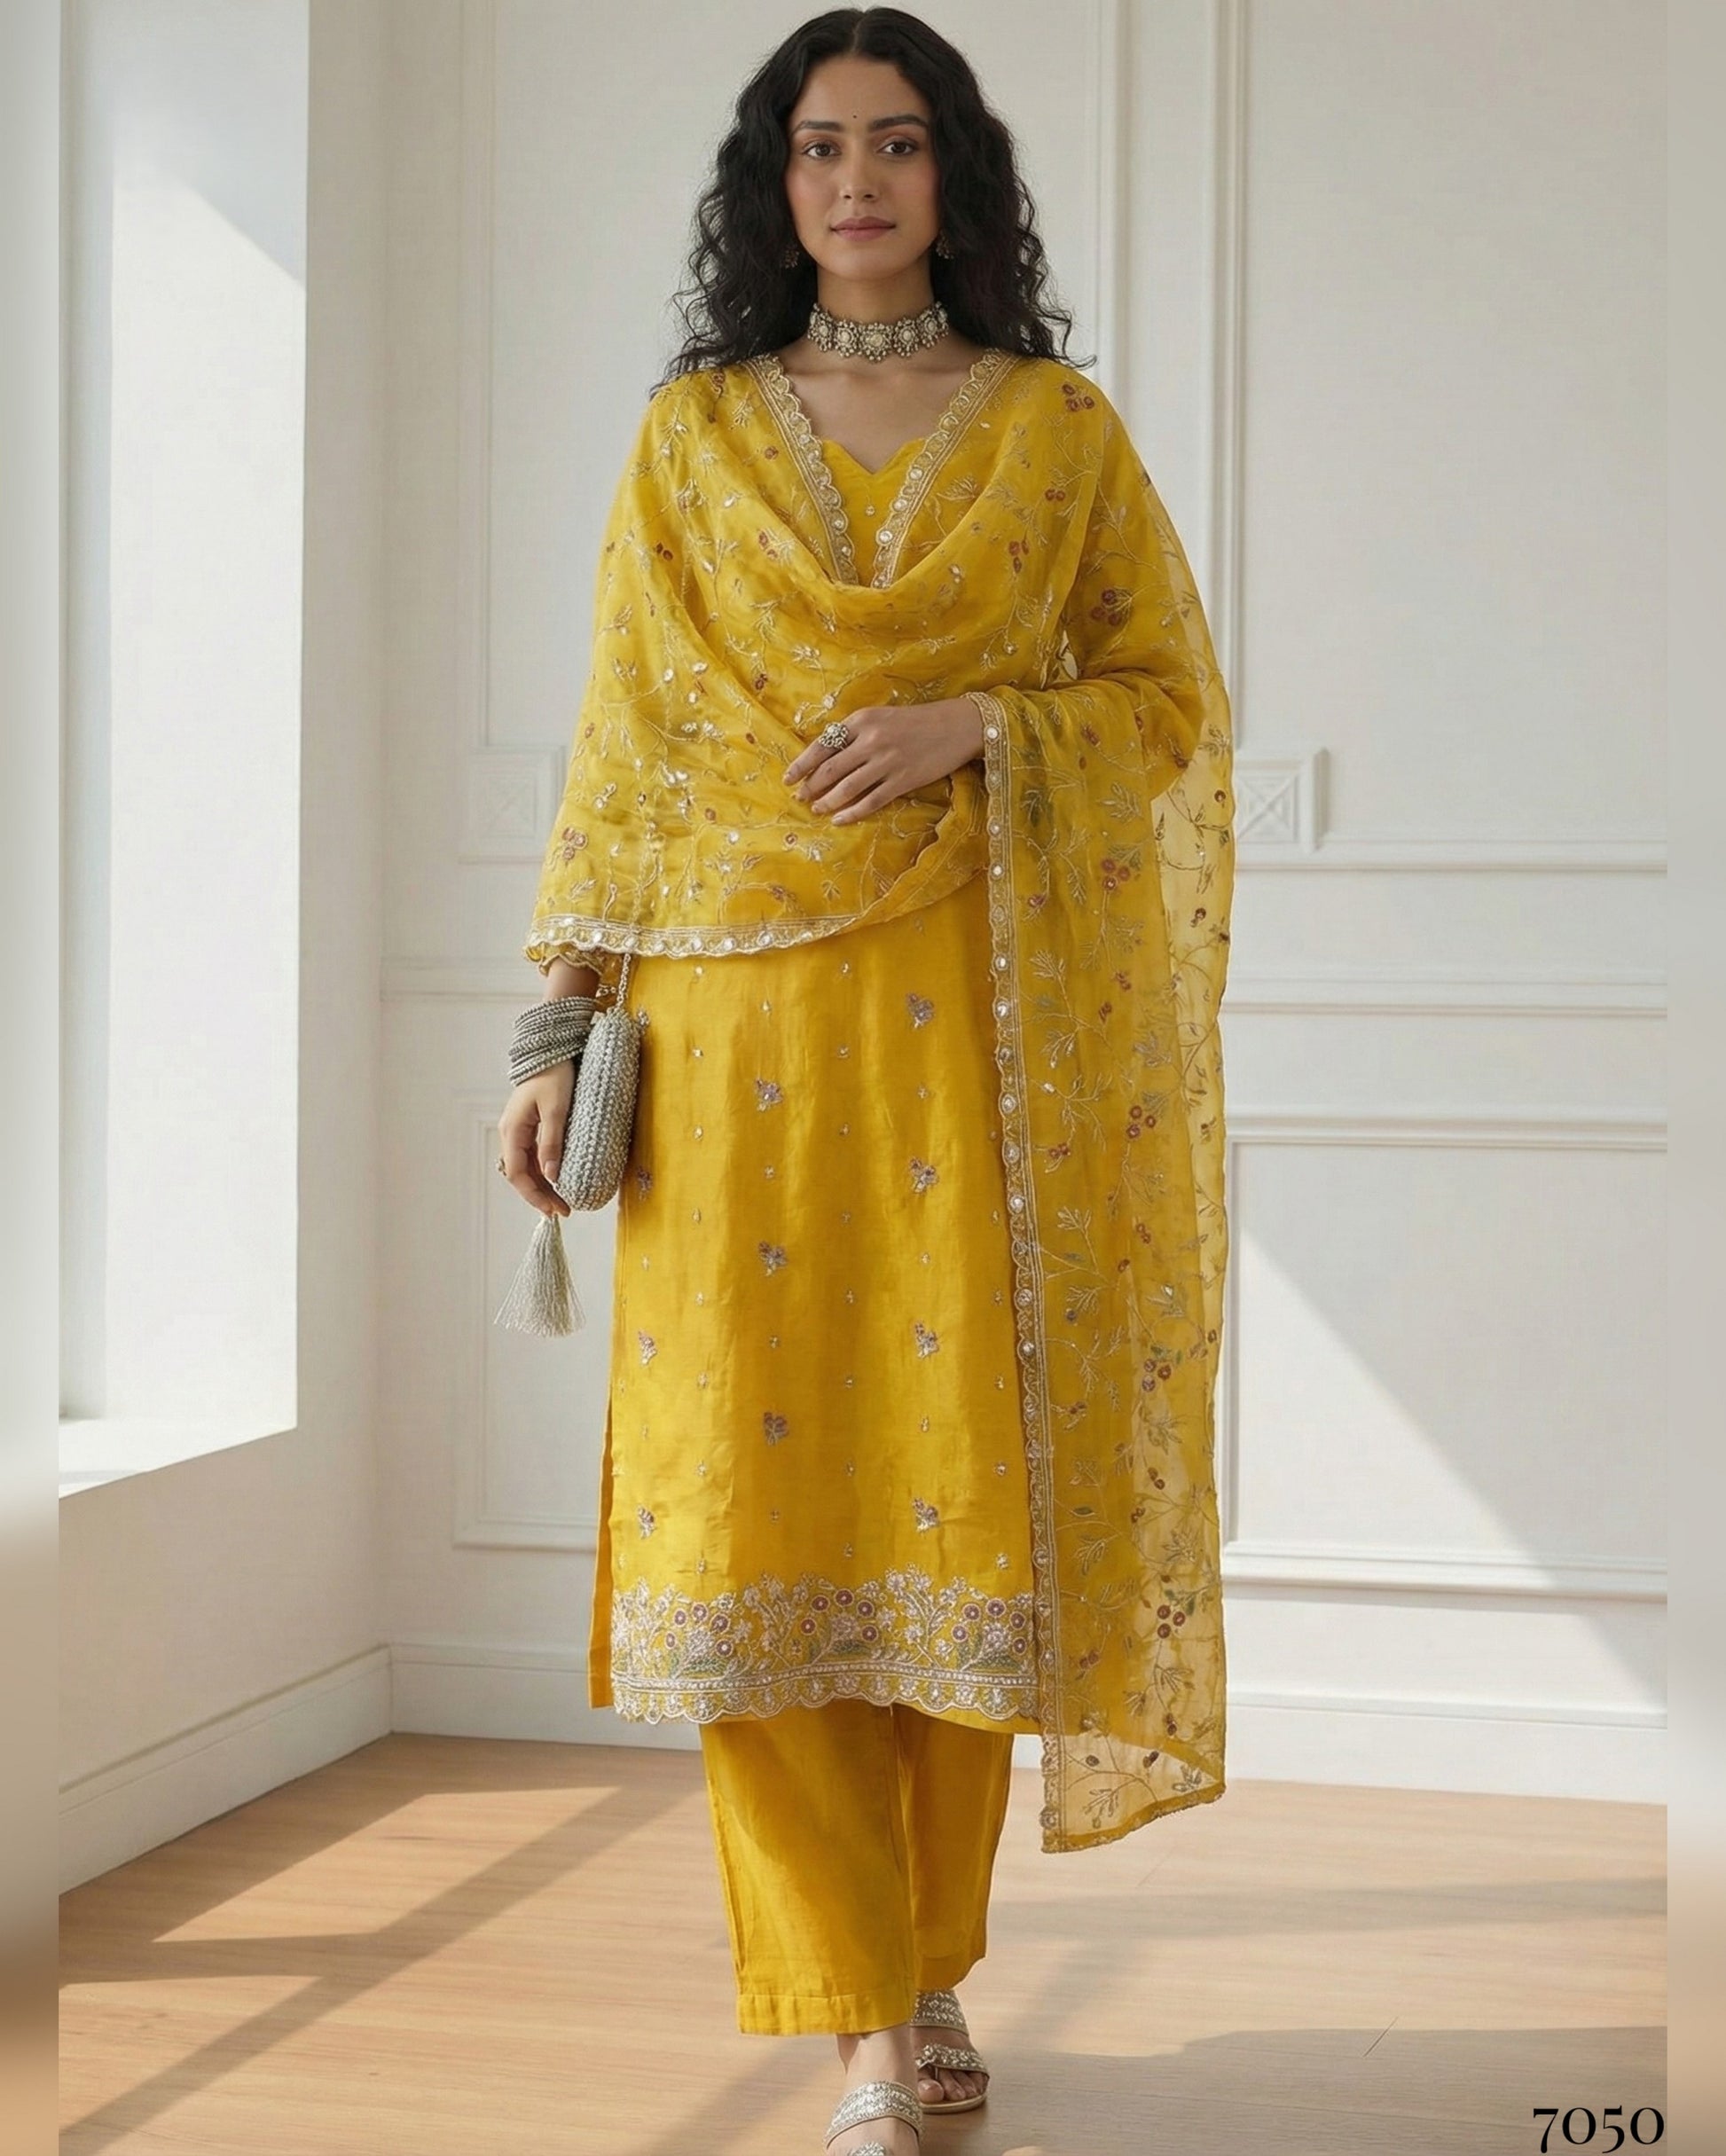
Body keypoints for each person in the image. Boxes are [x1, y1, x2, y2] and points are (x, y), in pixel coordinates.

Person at [497, 10, 1235, 2149]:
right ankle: (847, 2020)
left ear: (954, 180)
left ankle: (919, 1975)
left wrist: (983, 723)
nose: (857, 184)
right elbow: (621, 753)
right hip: (727, 1041)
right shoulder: (694, 438)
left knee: (948, 1523)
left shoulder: (1056, 432)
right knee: (758, 1529)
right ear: (772, 183)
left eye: (897, 145)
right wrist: (556, 1034)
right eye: (819, 147)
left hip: (977, 1042)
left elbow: (1167, 696)